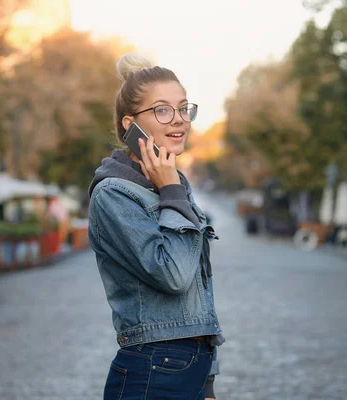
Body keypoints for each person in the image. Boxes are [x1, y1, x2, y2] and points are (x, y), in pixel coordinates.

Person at [88, 53, 224, 400]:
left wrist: (207, 382)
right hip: (150, 372)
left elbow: (200, 289)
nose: (178, 120)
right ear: (129, 125)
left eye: (183, 108)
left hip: (189, 370)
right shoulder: (113, 193)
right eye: (162, 110)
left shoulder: (171, 185)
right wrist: (171, 191)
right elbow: (174, 275)